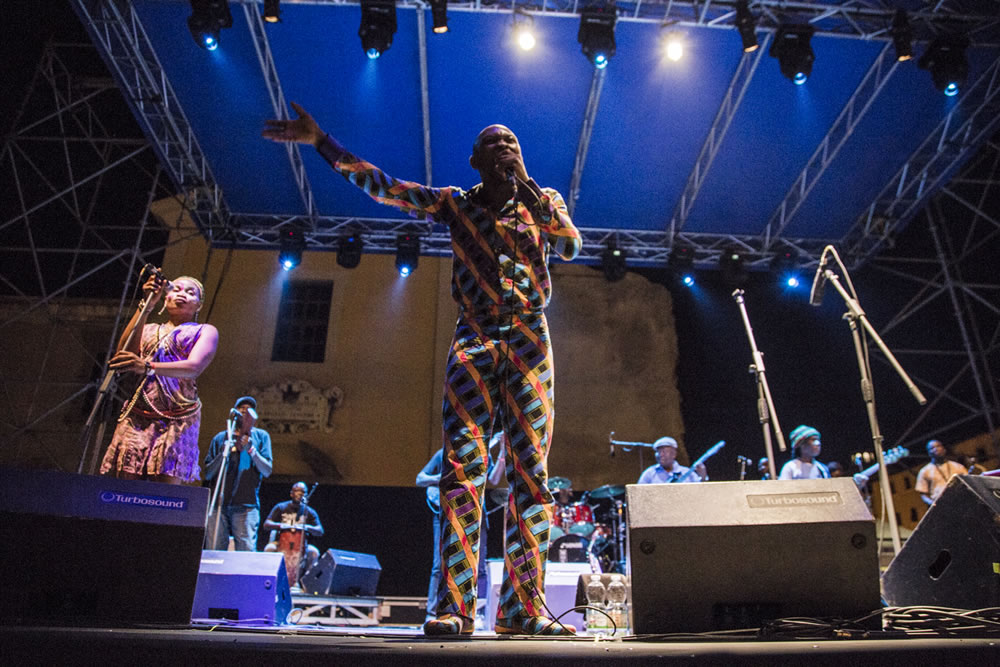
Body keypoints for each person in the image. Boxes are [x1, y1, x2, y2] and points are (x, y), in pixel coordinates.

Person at [264, 104, 581, 636]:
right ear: (476, 160)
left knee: (532, 476)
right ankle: (454, 608)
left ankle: (523, 612)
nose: (506, 146)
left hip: (530, 340)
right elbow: (386, 188)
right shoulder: (456, 203)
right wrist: (322, 142)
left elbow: (569, 246)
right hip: (475, 337)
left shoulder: (543, 200)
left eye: (513, 142)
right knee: (462, 473)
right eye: (495, 142)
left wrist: (529, 190)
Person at [100, 272, 219, 483]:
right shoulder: (148, 329)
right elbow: (124, 354)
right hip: (138, 416)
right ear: (165, 298)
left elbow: (194, 367)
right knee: (125, 487)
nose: (182, 294)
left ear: (198, 305)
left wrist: (147, 366)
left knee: (165, 490)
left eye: (190, 292)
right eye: (176, 289)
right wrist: (146, 305)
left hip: (178, 419)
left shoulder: (204, 331)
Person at [417, 445, 505, 625]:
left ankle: (477, 613)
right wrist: (444, 476)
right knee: (440, 565)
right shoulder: (444, 454)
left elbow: (494, 479)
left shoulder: (483, 454)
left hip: (476, 511)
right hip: (447, 510)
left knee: (479, 566)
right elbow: (420, 479)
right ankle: (432, 613)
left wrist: (503, 453)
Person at [203, 396, 273, 551]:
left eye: (250, 408)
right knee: (214, 550)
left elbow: (267, 470)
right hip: (218, 505)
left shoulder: (261, 437)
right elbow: (208, 473)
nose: (245, 410)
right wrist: (222, 454)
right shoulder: (220, 438)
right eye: (242, 407)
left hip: (246, 505)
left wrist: (252, 450)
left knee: (245, 551)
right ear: (235, 412)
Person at [263, 482, 324, 580]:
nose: (300, 494)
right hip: (280, 543)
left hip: (303, 545)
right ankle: (268, 579)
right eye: (297, 491)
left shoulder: (309, 511)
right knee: (269, 549)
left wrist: (306, 527)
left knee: (314, 552)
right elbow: (266, 524)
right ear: (291, 493)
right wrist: (282, 526)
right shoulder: (281, 507)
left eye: (303, 492)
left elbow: (320, 530)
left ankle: (307, 583)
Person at [915, 439, 967, 506]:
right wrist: (932, 503)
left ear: (944, 449)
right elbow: (923, 494)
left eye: (938, 446)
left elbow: (967, 483)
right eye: (932, 448)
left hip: (960, 501)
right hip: (941, 505)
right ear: (929, 453)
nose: (935, 449)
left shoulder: (958, 466)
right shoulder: (924, 471)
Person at [637, 437, 708, 484]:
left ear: (674, 454)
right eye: (658, 452)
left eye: (664, 451)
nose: (661, 455)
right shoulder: (649, 474)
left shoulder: (687, 473)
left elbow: (700, 492)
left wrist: (703, 477)